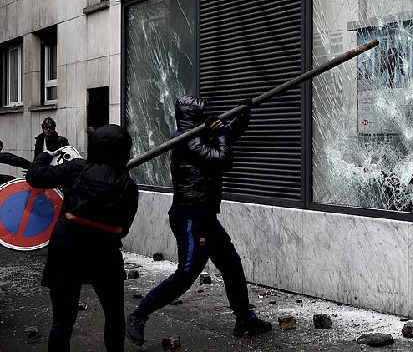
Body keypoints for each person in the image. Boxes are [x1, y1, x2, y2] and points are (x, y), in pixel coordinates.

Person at [126, 95, 269, 346]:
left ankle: (245, 318)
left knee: (231, 266)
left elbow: (227, 139)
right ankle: (138, 315)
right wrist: (223, 131)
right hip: (191, 218)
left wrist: (242, 117)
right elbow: (223, 159)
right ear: (192, 118)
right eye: (201, 114)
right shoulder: (188, 142)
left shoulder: (198, 138)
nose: (206, 117)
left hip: (205, 217)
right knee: (186, 274)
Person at [26, 124, 139, 352]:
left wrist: (46, 155)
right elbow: (123, 228)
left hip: (65, 252)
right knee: (114, 315)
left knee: (62, 321)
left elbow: (33, 177)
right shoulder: (129, 186)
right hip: (105, 255)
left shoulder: (76, 169)